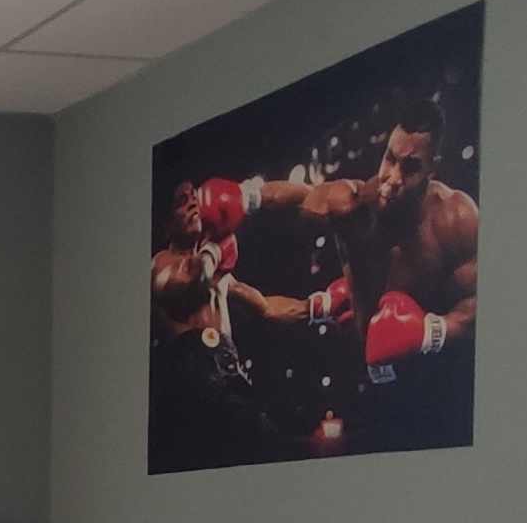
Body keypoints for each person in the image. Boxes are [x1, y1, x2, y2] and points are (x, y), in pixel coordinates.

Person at [180, 108, 477, 379]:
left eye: (411, 167)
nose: (393, 178)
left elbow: (477, 307)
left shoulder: (456, 220)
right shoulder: (353, 206)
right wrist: (246, 195)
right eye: (390, 159)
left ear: (433, 168)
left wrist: (429, 334)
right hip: (358, 374)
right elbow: (302, 198)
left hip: (432, 377)